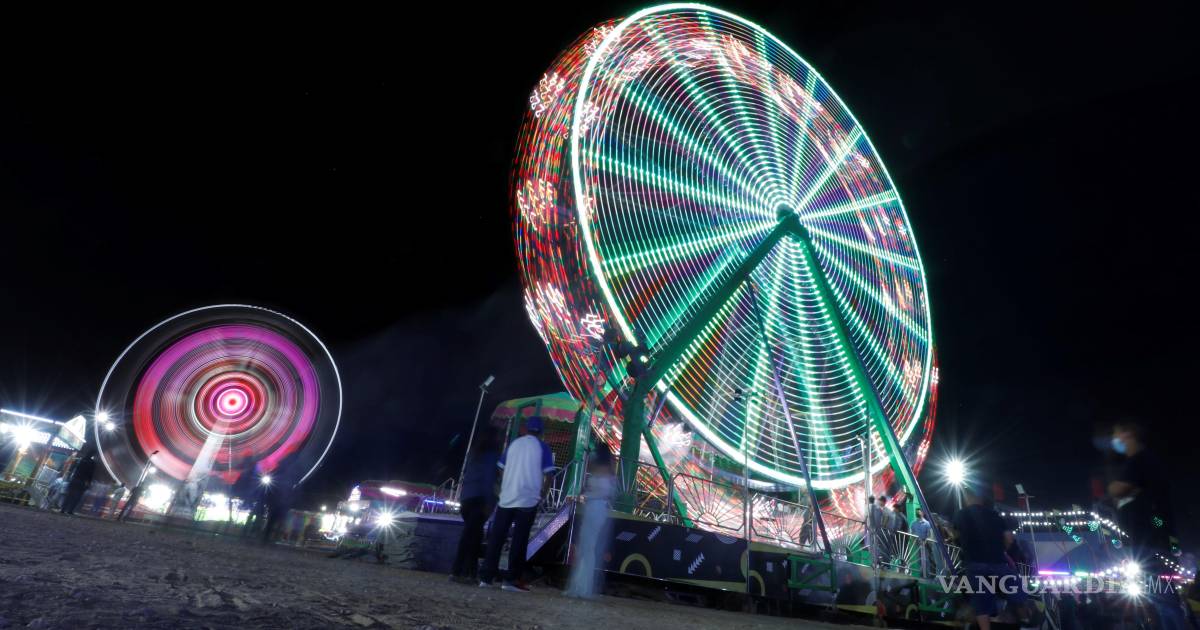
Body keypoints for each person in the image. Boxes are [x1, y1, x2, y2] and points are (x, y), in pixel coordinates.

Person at [1108, 422, 1188, 629]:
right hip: (1148, 539)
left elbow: (1117, 490)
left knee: (1163, 599)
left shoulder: (1139, 461)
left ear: (1129, 433)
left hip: (1149, 540)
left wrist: (1117, 490)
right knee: (1161, 599)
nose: (1115, 440)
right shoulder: (1142, 462)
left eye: (1117, 434)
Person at [479, 416, 555, 592]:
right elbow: (549, 474)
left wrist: (508, 483)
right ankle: (511, 580)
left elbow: (500, 467)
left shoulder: (514, 444)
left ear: (526, 429)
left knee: (497, 538)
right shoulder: (543, 447)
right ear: (541, 432)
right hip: (528, 500)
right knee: (519, 541)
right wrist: (543, 494)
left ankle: (486, 578)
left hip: (507, 498)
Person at [951, 481, 1037, 630]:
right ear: (981, 498)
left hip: (974, 564)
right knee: (1017, 592)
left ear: (967, 498)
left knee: (981, 604)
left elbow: (955, 537)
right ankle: (1025, 621)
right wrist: (1002, 549)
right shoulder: (993, 515)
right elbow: (1009, 538)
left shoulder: (960, 515)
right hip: (997, 563)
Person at [450, 428, 501, 584]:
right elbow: (488, 479)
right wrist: (489, 501)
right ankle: (462, 571)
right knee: (472, 537)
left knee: (472, 535)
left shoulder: (473, 454)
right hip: (480, 499)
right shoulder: (492, 456)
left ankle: (466, 572)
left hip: (467, 498)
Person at [564, 447, 615, 599]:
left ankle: (583, 588)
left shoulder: (605, 469)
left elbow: (603, 493)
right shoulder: (603, 468)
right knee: (585, 547)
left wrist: (584, 496)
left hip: (597, 509)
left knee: (588, 547)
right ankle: (580, 586)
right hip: (593, 508)